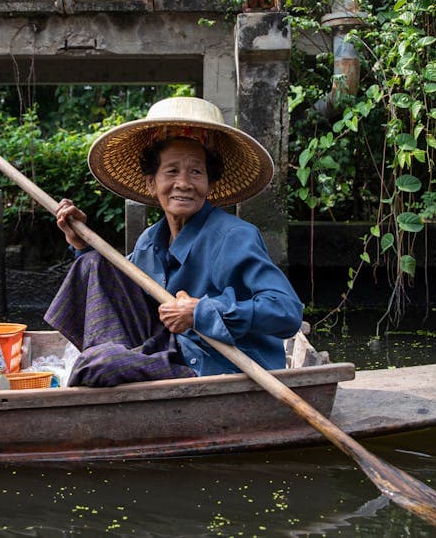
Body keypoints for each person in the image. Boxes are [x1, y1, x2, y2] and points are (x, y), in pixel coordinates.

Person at [44, 96, 304, 387]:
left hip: (216, 365)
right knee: (93, 264)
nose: (183, 183)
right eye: (171, 171)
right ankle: (110, 356)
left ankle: (107, 361)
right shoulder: (150, 241)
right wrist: (80, 242)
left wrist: (199, 312)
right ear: (151, 182)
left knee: (100, 367)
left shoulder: (234, 236)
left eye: (196, 171)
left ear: (210, 183)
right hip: (168, 348)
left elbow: (286, 311)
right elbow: (116, 291)